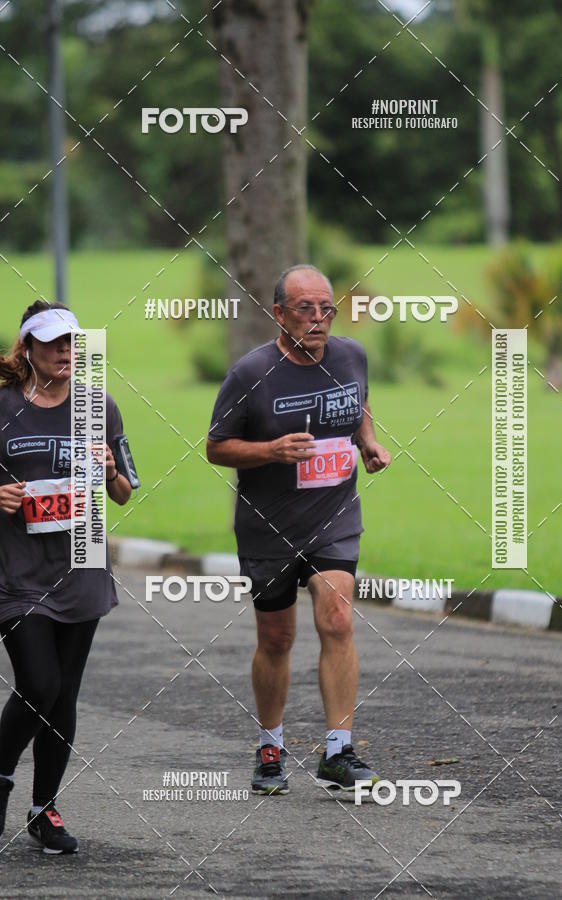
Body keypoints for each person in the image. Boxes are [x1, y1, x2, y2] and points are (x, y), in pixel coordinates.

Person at [207, 264, 391, 795]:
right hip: (269, 527)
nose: (318, 319)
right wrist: (270, 451)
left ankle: (339, 751)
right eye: (305, 309)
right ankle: (270, 746)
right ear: (279, 313)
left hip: (334, 516)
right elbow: (216, 446)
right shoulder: (250, 373)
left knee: (337, 617)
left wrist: (368, 441)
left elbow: (356, 403)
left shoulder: (351, 356)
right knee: (277, 637)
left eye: (326, 308)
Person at [0, 301, 133, 853]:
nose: (64, 352)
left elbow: (125, 491)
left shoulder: (98, 407)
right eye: (53, 343)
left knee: (64, 695)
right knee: (39, 683)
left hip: (81, 566)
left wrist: (108, 471)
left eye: (72, 342)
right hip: (17, 573)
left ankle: (43, 808)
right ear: (27, 349)